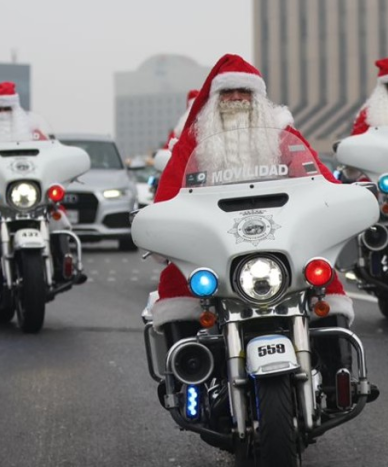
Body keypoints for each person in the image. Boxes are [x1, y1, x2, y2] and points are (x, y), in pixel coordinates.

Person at [150, 54, 354, 375]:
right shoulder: (192, 143)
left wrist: (343, 202)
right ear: (215, 99)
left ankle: (337, 374)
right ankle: (191, 378)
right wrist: (160, 227)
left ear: (257, 98)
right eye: (227, 93)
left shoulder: (284, 136)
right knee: (179, 285)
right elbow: (168, 196)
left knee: (324, 280)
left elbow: (320, 181)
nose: (235, 99)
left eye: (243, 92)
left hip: (282, 242)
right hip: (214, 249)